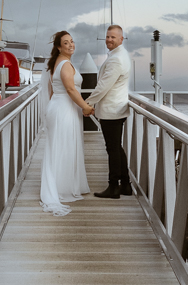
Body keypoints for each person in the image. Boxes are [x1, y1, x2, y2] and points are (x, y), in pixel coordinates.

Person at [40, 31, 93, 216]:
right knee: (65, 146)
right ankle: (62, 188)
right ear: (58, 47)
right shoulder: (65, 65)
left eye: (72, 41)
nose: (71, 45)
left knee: (60, 146)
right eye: (66, 43)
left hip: (59, 107)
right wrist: (85, 107)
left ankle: (65, 184)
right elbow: (71, 89)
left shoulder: (57, 64)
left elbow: (51, 91)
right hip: (64, 109)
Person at [86, 24, 132, 199]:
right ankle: (126, 185)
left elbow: (103, 86)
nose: (109, 39)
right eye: (107, 36)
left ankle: (113, 187)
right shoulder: (121, 55)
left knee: (112, 149)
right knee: (116, 148)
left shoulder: (116, 59)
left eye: (113, 37)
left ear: (121, 39)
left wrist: (87, 103)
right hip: (117, 109)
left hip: (112, 110)